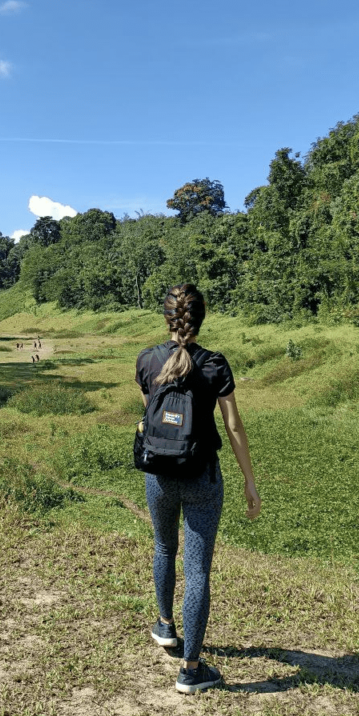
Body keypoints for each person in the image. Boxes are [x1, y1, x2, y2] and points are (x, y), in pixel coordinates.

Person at [135, 283, 261, 694]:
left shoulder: (147, 360)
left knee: (163, 547)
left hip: (159, 475)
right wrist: (249, 480)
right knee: (198, 570)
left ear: (167, 317)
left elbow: (149, 414)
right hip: (203, 477)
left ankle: (166, 626)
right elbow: (234, 426)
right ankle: (191, 669)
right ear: (200, 318)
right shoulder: (214, 364)